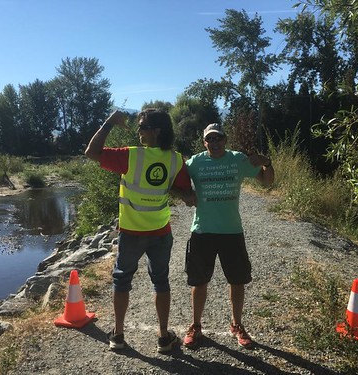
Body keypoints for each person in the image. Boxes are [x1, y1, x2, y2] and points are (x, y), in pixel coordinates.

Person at [85, 109, 192, 353]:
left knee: (122, 280)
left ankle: (118, 335)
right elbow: (183, 192)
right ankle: (164, 338)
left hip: (132, 233)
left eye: (142, 126)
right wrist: (189, 196)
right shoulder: (175, 159)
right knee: (161, 281)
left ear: (156, 131)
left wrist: (109, 122)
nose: (138, 131)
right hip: (160, 232)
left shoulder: (131, 157)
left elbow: (91, 152)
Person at [182, 122, 275, 349]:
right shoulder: (195, 162)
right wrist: (186, 193)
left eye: (218, 138)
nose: (214, 143)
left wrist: (267, 163)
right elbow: (176, 180)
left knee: (237, 281)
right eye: (210, 139)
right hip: (202, 231)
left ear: (225, 139)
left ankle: (237, 325)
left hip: (232, 231)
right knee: (199, 281)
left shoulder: (238, 160)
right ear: (204, 142)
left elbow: (267, 181)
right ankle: (196, 326)